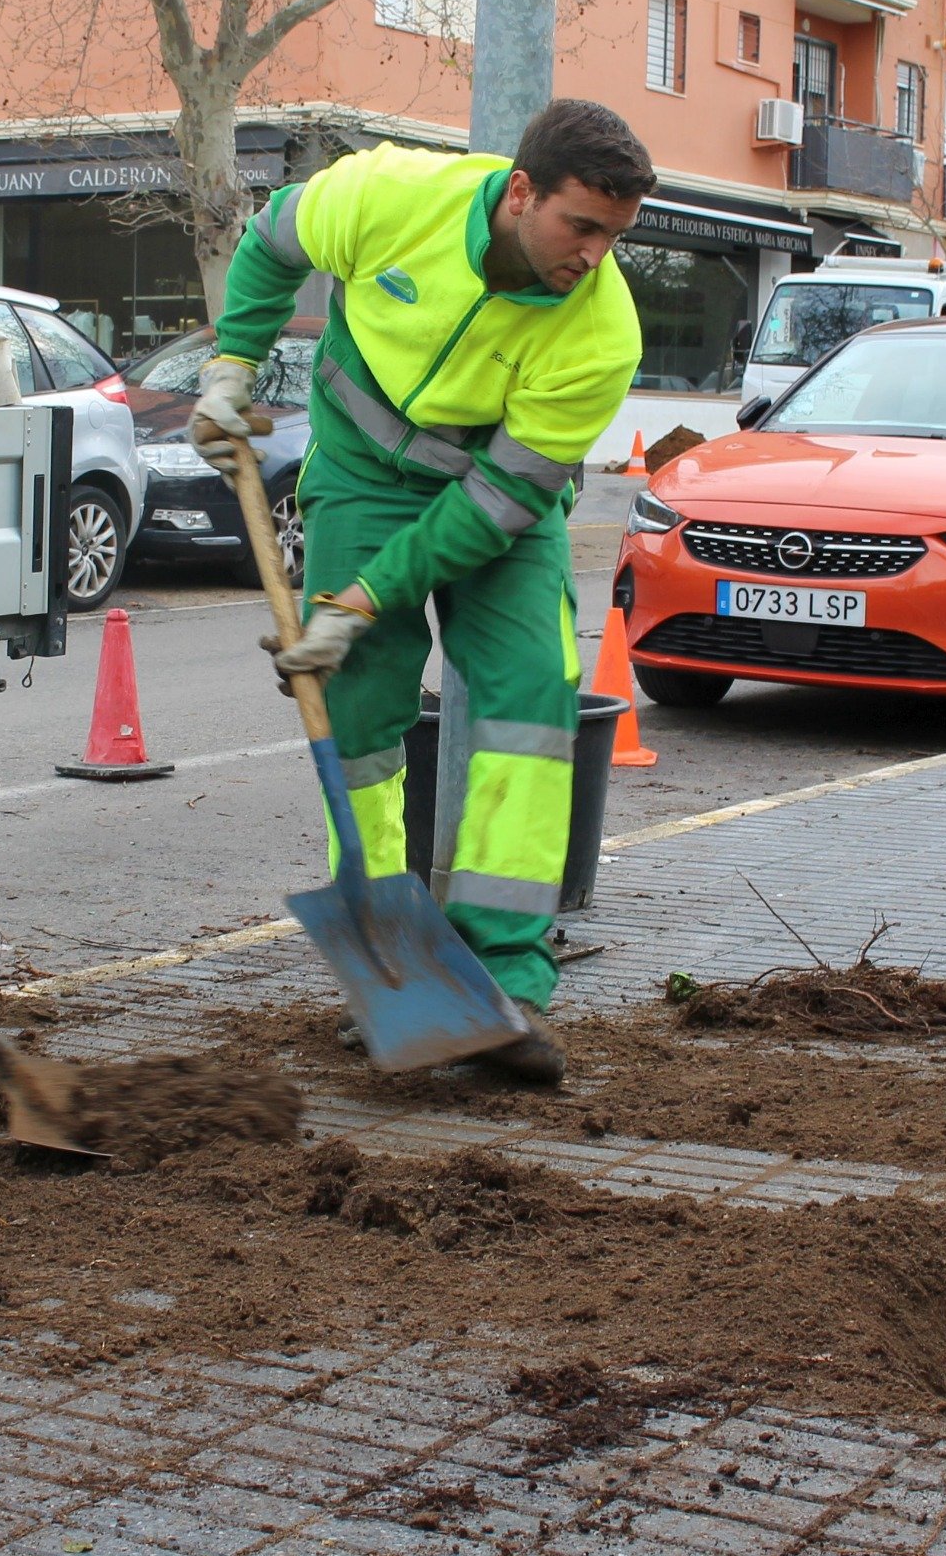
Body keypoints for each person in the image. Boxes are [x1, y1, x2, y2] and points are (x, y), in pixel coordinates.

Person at [192, 99, 653, 1084]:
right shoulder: (388, 195)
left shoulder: (601, 332)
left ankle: (507, 977)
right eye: (581, 226)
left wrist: (361, 599)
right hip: (361, 472)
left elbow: (492, 508)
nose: (594, 255)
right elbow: (273, 243)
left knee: (532, 691)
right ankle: (393, 973)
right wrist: (234, 360)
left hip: (492, 499)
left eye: (616, 235)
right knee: (354, 708)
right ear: (521, 192)